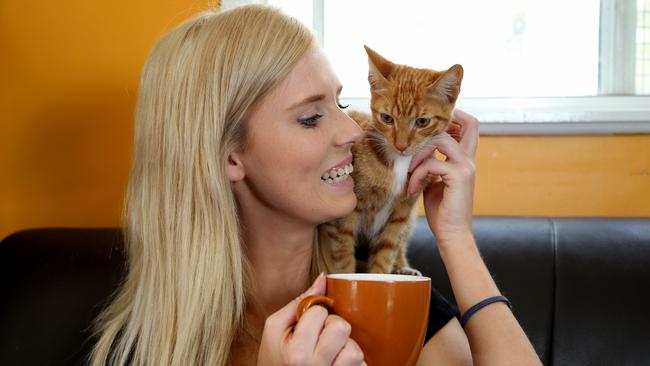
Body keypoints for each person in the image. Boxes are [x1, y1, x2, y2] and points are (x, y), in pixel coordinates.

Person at [89, 4, 542, 366]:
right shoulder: (133, 348)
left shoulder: (392, 302)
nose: (351, 130)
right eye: (311, 117)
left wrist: (457, 237)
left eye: (341, 101)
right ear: (228, 156)